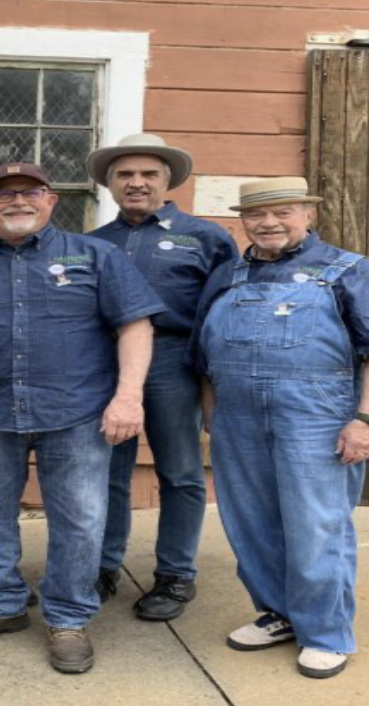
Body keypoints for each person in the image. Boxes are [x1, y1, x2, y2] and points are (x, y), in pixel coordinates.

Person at [0, 163, 165, 673]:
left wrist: (128, 397)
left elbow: (135, 327)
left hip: (76, 411)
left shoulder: (96, 255)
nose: (17, 202)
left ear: (51, 200)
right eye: (3, 195)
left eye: (29, 192)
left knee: (79, 518)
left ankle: (69, 618)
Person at [191, 177, 369, 679]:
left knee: (316, 525)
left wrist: (367, 420)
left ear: (308, 214)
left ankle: (326, 633)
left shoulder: (351, 272)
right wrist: (215, 420)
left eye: (282, 211)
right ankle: (279, 613)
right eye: (257, 214)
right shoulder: (228, 276)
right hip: (237, 418)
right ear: (243, 221)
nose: (269, 223)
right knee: (251, 523)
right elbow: (203, 359)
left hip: (318, 418)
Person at [86, 133, 238, 619]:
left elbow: (222, 315)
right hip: (105, 364)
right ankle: (102, 566)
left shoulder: (206, 237)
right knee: (107, 472)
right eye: (124, 175)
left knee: (180, 471)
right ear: (109, 184)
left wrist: (214, 384)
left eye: (148, 174)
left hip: (174, 361)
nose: (136, 183)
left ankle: (175, 574)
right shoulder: (92, 243)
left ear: (166, 180)